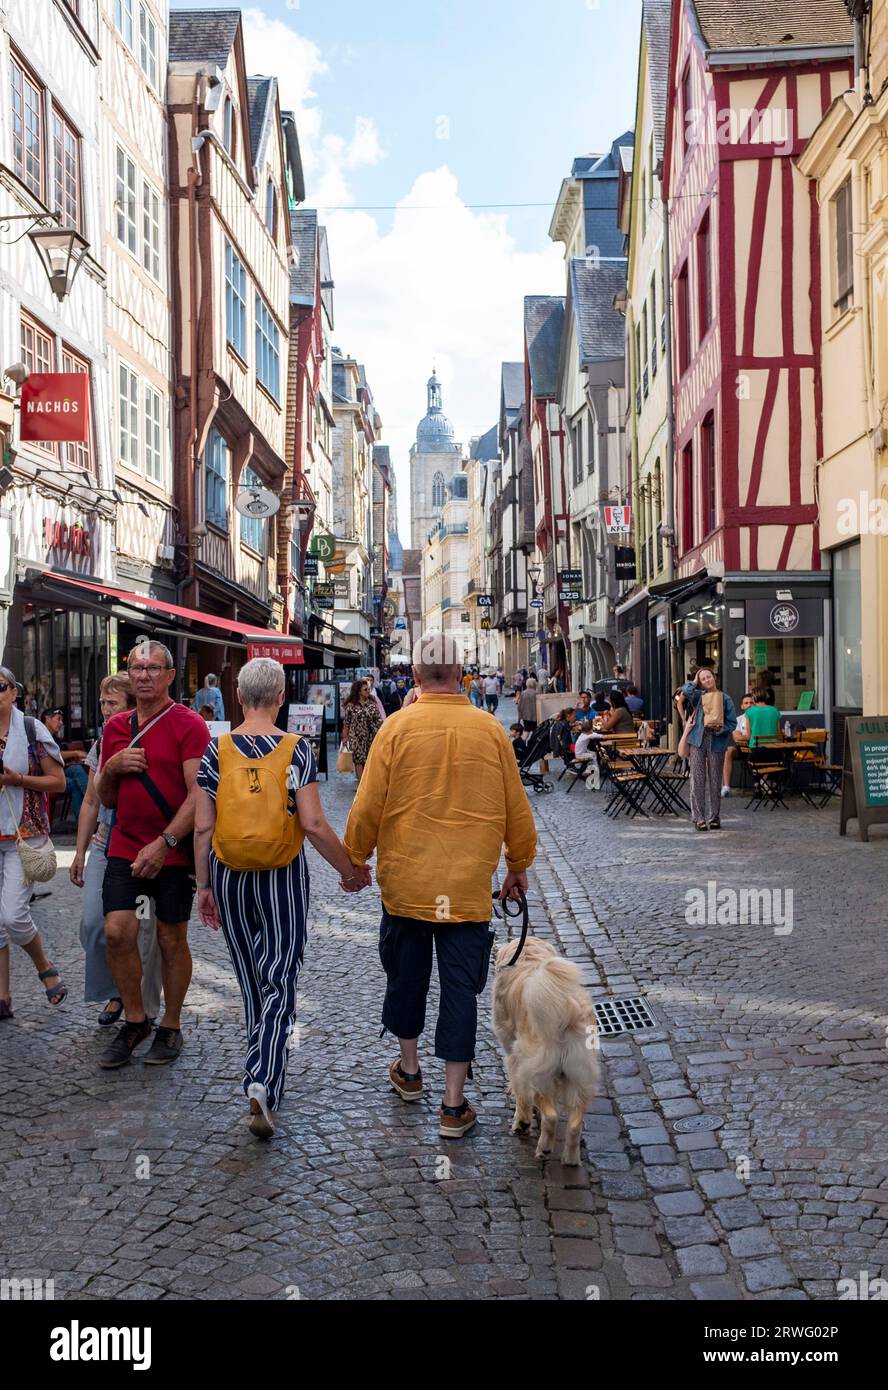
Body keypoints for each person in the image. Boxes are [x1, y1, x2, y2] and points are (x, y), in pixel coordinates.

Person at [344, 631, 537, 1140]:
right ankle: (453, 1104)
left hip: (407, 884)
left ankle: (409, 1072)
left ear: (414, 676)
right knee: (460, 990)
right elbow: (516, 806)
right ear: (461, 675)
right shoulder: (490, 730)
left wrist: (355, 860)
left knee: (405, 978)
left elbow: (367, 805)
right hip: (467, 887)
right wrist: (517, 864)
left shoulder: (396, 729)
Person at [195, 658, 369, 1138]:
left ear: (238, 697)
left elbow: (203, 827)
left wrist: (204, 885)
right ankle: (263, 1078)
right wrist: (349, 870)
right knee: (280, 977)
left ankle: (262, 1067)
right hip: (282, 876)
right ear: (279, 698)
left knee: (251, 978)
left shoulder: (216, 750)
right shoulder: (295, 750)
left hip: (229, 874)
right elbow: (312, 823)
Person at [95, 639, 211, 1069]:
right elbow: (107, 798)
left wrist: (165, 843)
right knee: (116, 932)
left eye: (153, 668)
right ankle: (135, 1019)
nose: (144, 676)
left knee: (169, 937)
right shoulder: (115, 728)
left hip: (173, 851)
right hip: (125, 844)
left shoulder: (188, 724)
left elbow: (199, 795)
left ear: (170, 675)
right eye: (137, 668)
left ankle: (171, 1025)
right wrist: (111, 768)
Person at [71, 673, 164, 1028]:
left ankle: (140, 1006)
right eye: (102, 703)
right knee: (94, 925)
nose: (106, 710)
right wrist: (79, 852)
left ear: (131, 705)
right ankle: (117, 988)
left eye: (112, 703)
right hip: (105, 845)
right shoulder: (101, 744)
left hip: (145, 849)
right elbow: (91, 801)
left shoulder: (152, 737)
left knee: (144, 932)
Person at [0, 670, 67, 1019]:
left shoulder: (30, 729)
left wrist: (17, 780)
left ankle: (45, 967)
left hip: (23, 836)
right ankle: (3, 997)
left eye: (0, 687)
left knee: (13, 915)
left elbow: (58, 782)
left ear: (14, 693)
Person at [678, 669, 738, 831]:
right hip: (697, 740)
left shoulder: (725, 699)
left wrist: (721, 729)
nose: (707, 680)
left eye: (709, 677)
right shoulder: (697, 696)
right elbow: (685, 691)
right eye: (703, 679)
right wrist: (695, 680)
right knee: (697, 779)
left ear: (714, 678)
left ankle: (714, 817)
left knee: (715, 780)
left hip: (717, 741)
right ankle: (699, 818)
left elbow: (732, 723)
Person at [41, 707, 89, 822]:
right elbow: (54, 754)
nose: (61, 723)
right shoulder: (41, 735)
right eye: (58, 719)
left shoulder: (55, 738)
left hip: (59, 771)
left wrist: (73, 759)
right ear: (47, 719)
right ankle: (90, 801)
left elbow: (60, 758)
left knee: (76, 772)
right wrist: (75, 753)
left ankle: (84, 819)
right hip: (45, 775)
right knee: (74, 778)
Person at [341, 679, 383, 783]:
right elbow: (347, 723)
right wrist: (345, 737)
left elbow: (379, 721)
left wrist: (381, 733)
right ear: (359, 691)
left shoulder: (372, 704)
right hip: (356, 737)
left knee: (369, 760)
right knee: (358, 760)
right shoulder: (351, 706)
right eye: (365, 689)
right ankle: (361, 785)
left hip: (371, 736)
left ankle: (368, 782)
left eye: (368, 689)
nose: (368, 691)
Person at [721, 692, 754, 797]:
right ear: (742, 706)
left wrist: (744, 736)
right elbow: (736, 738)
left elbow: (742, 736)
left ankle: (764, 784)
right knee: (728, 750)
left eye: (751, 703)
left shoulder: (758, 717)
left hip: (756, 748)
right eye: (746, 703)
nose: (749, 705)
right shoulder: (738, 719)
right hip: (742, 748)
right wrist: (749, 737)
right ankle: (726, 787)